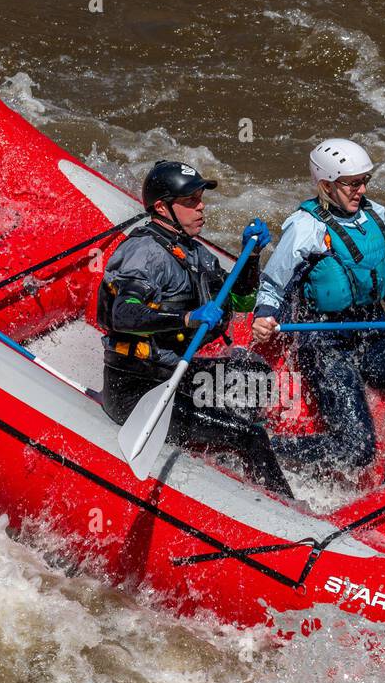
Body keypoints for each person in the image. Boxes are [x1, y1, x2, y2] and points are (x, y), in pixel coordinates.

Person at [98, 160, 293, 497]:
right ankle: (291, 514)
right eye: (190, 202)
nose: (201, 207)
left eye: (200, 199)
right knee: (251, 435)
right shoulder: (144, 252)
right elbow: (124, 317)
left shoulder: (195, 252)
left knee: (254, 376)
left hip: (175, 374)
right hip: (137, 388)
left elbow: (242, 301)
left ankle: (228, 454)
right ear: (161, 208)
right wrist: (186, 320)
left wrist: (252, 256)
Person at [252, 138, 385, 484]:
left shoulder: (377, 217)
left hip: (370, 332)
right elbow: (273, 283)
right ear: (326, 185)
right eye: (353, 183)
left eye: (365, 180)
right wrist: (264, 316)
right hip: (323, 343)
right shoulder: (304, 227)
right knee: (356, 448)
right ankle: (266, 447)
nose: (361, 189)